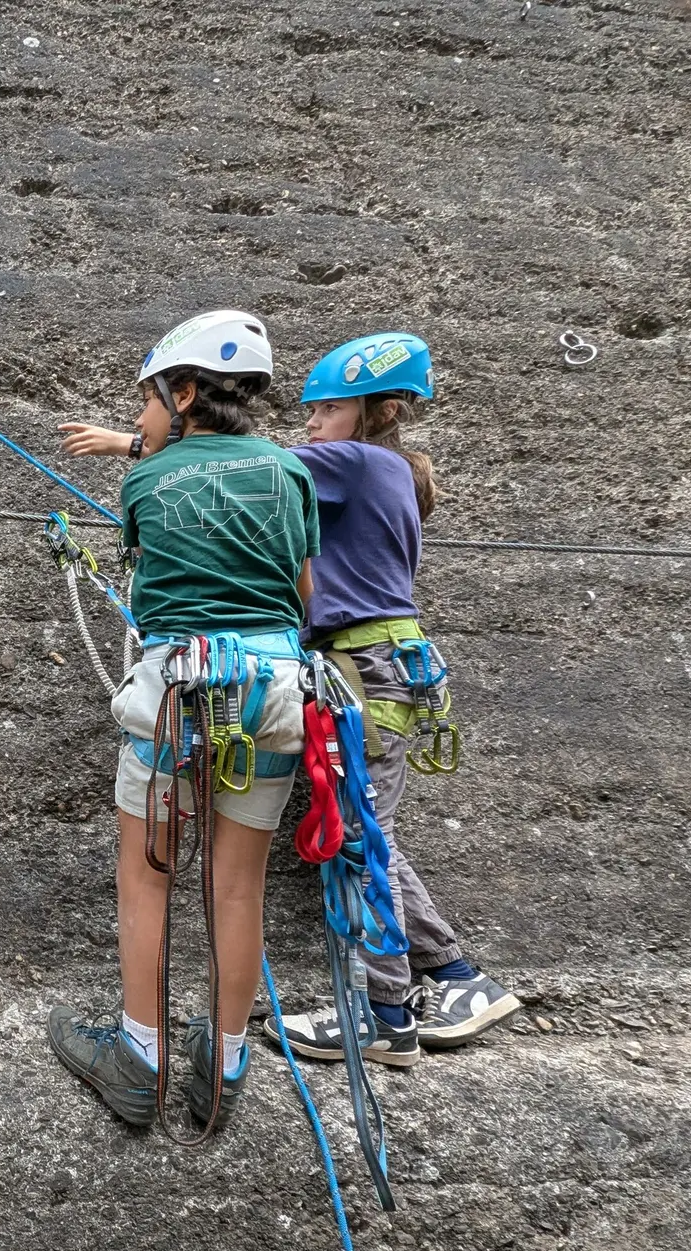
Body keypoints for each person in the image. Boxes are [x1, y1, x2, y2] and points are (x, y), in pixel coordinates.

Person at [44, 311, 318, 1128]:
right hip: (273, 689)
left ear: (186, 393)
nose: (140, 417)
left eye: (147, 400)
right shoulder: (290, 470)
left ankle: (139, 1057)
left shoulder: (145, 480)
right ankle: (223, 1065)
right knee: (238, 884)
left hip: (178, 691)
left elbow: (147, 580)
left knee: (148, 872)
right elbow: (304, 596)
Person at [264, 333, 520, 1064]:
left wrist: (142, 445)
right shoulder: (382, 468)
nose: (313, 422)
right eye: (312, 410)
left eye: (329, 409)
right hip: (376, 662)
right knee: (367, 829)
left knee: (357, 837)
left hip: (363, 666)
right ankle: (457, 978)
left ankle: (382, 1013)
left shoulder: (358, 461)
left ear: (379, 411)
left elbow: (254, 466)